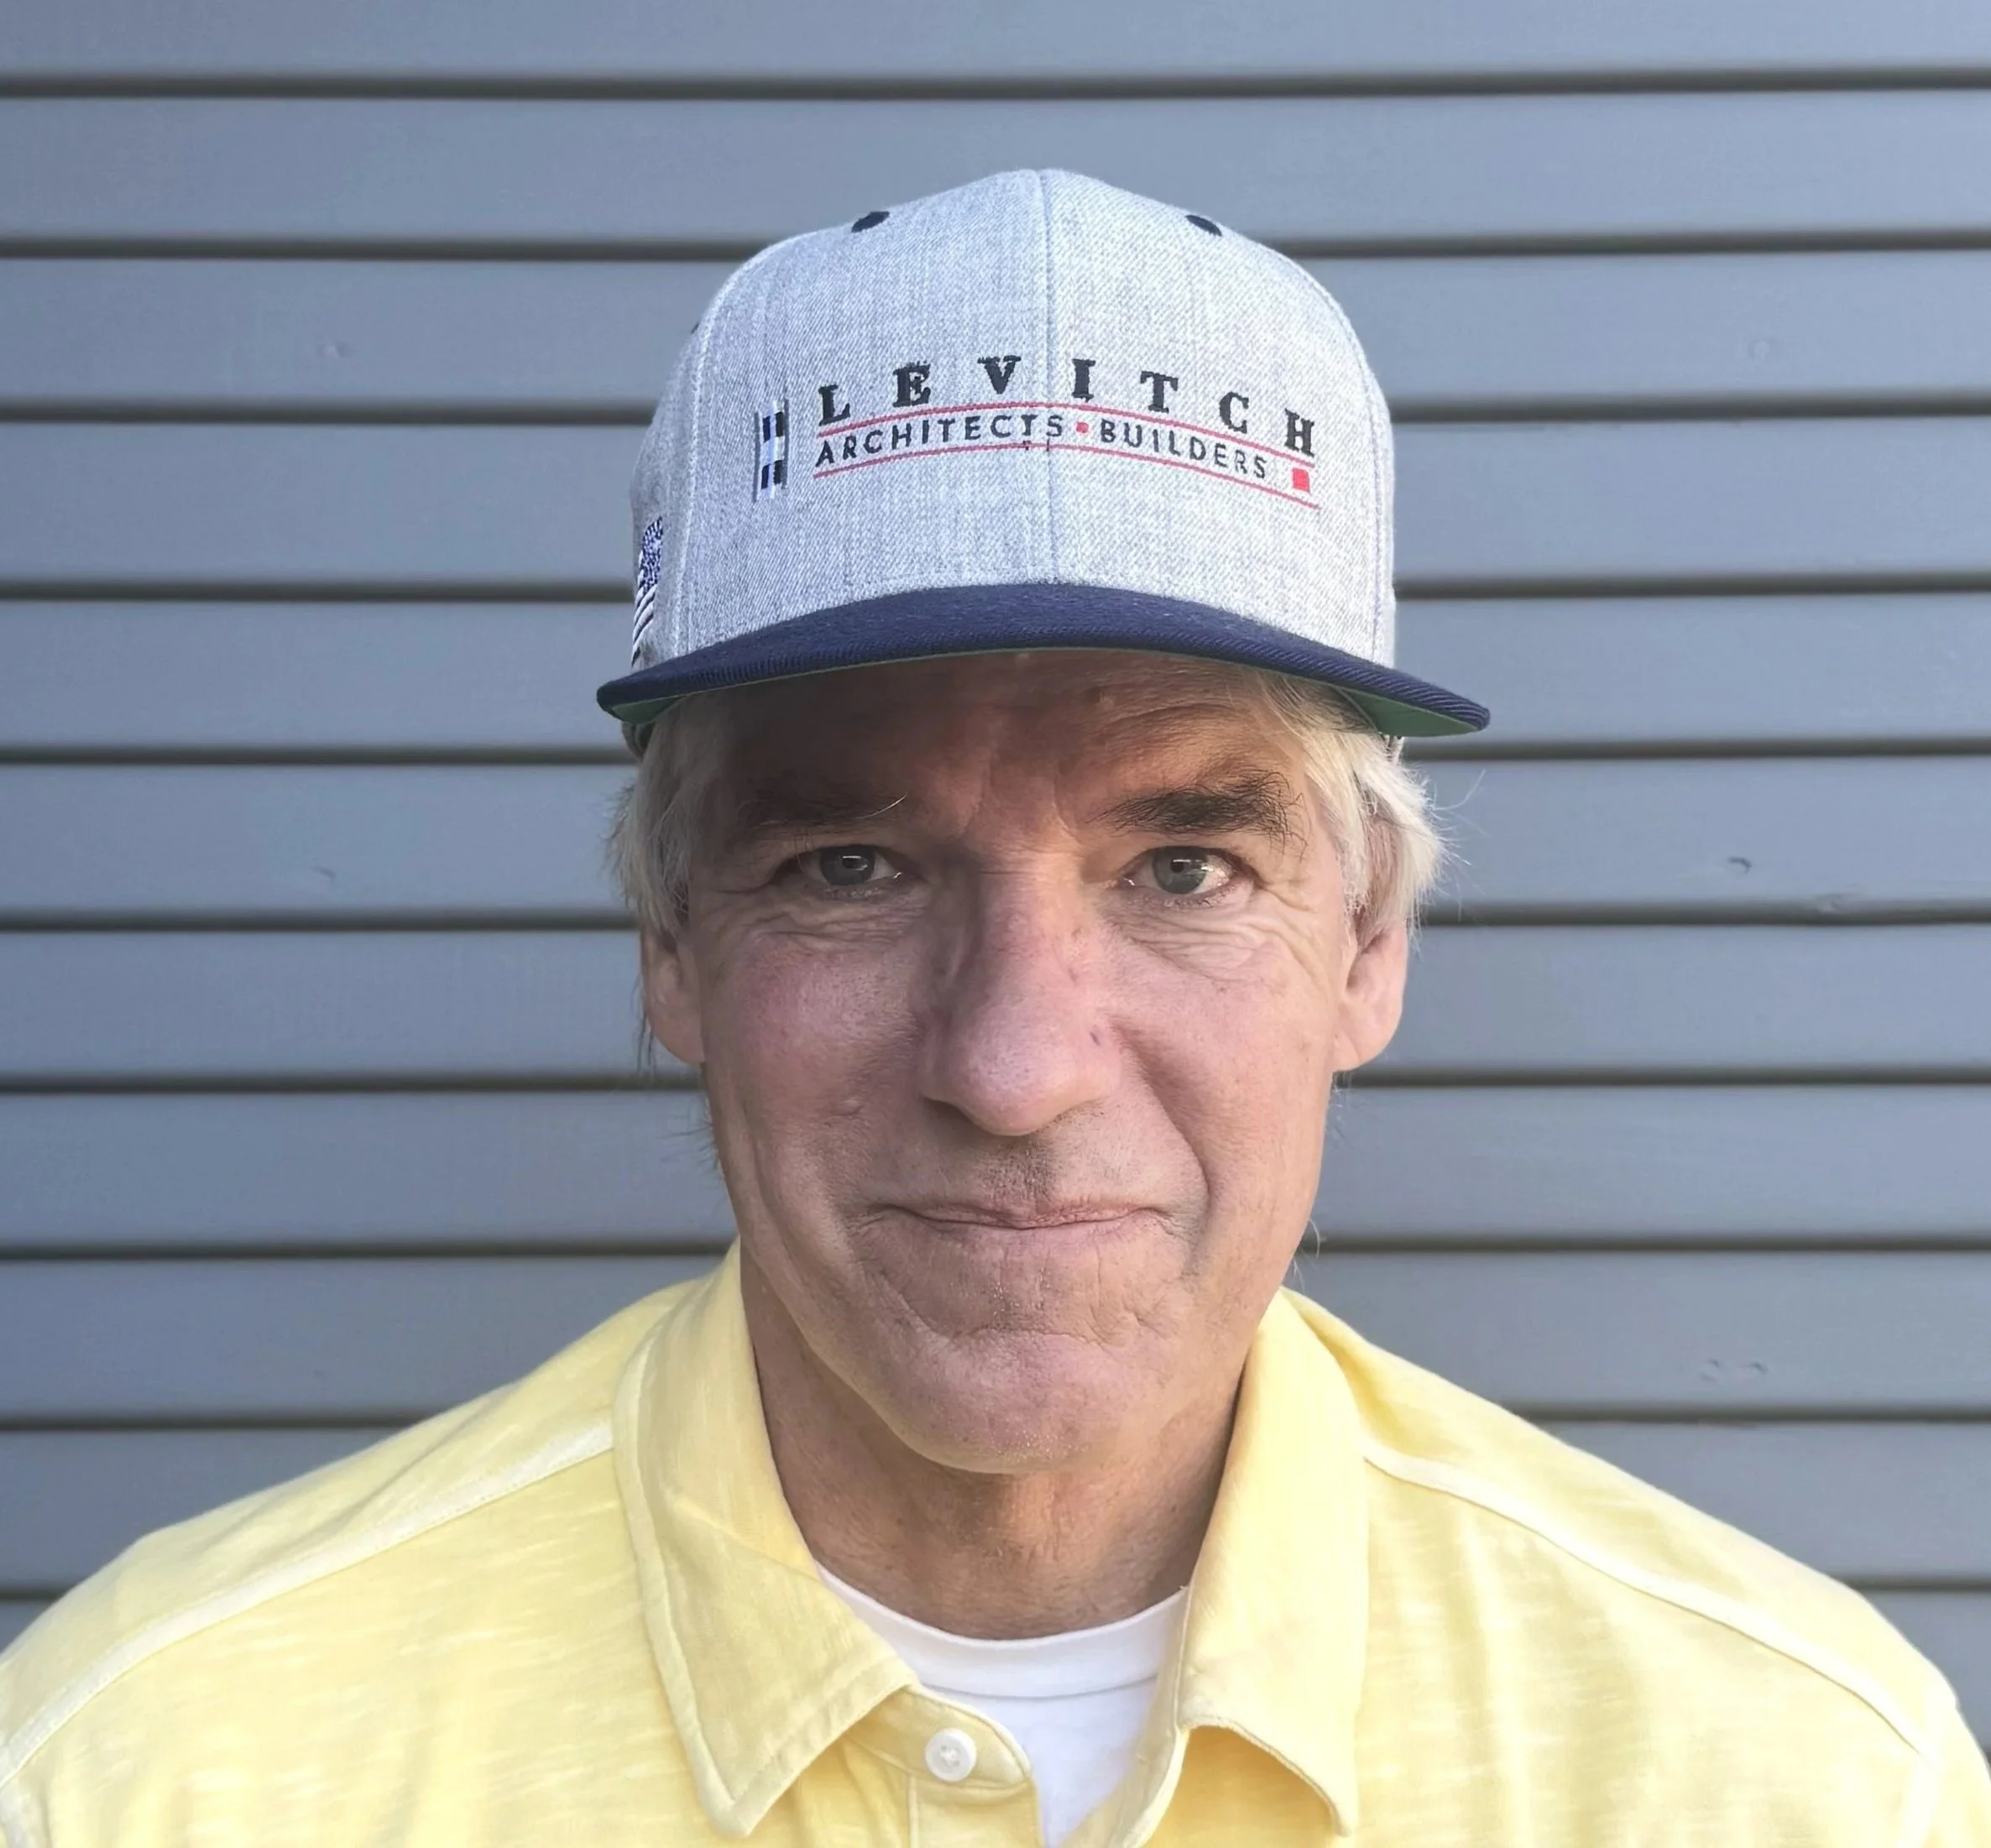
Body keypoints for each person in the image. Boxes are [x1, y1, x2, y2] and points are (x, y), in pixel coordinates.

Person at [3, 169, 1986, 1848]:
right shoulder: (157, 1765)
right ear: (671, 947)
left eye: (1183, 866)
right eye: (848, 868)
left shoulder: (1790, 1774)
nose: (1018, 1067)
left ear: (1368, 946)